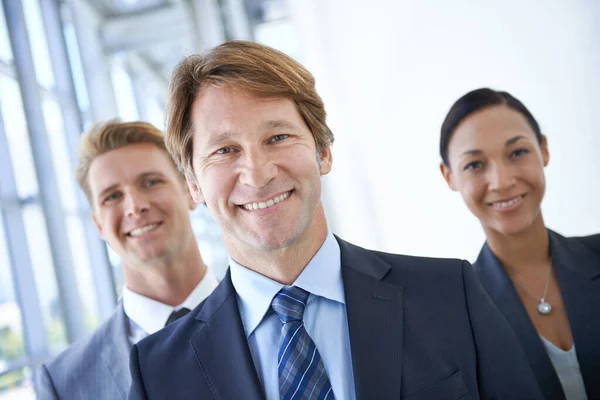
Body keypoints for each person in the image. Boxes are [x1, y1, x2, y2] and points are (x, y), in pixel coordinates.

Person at [128, 41, 542, 400]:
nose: (257, 173)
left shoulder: (451, 296)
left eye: (277, 137)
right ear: (194, 185)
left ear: (323, 152)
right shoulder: (157, 373)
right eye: (224, 150)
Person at [36, 121, 219, 399]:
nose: (135, 206)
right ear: (98, 224)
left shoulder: (276, 314)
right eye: (112, 196)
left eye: (151, 182)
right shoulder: (63, 383)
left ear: (190, 190)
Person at [440, 88, 600, 400]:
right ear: (449, 176)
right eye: (474, 164)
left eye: (517, 153)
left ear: (544, 150)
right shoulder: (456, 318)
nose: (501, 181)